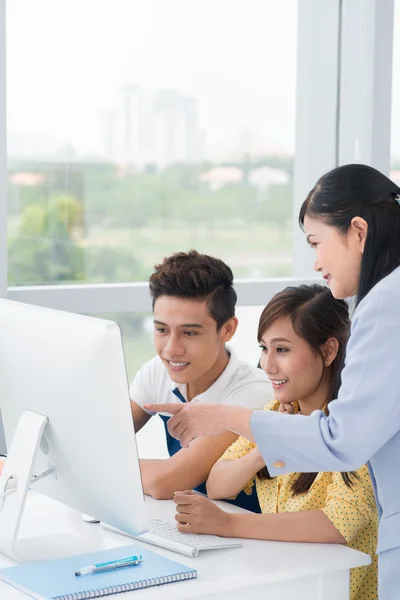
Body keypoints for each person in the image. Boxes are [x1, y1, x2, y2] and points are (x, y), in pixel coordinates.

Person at [144, 164, 400, 599]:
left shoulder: (385, 305)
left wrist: (226, 418)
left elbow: (342, 441)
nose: (317, 262)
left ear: (358, 231)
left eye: (317, 243)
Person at [173, 284, 377, 600]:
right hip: (287, 584)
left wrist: (226, 524)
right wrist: (269, 446)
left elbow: (337, 524)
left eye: (282, 350)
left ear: (328, 350)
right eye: (264, 349)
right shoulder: (276, 412)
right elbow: (218, 484)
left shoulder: (355, 425)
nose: (268, 366)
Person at [130, 250, 268, 510]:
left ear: (227, 329)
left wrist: (101, 464)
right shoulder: (158, 371)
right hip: (199, 525)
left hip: (263, 538)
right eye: (161, 330)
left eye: (190, 333)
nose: (171, 349)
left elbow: (167, 482)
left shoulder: (253, 394)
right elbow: (105, 439)